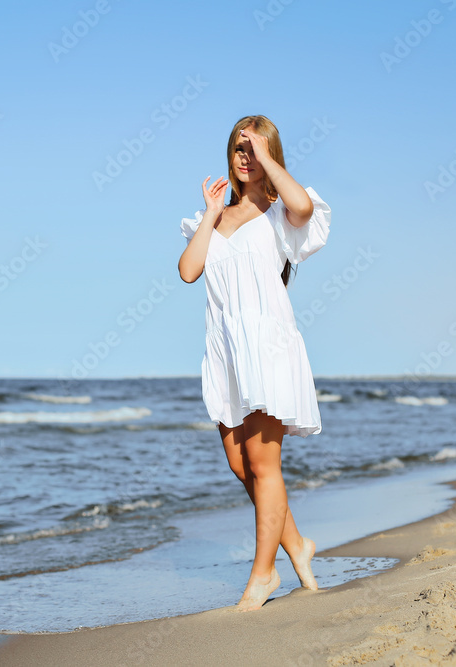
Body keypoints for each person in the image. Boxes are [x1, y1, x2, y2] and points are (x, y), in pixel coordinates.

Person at [177, 114, 332, 611]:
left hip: (266, 346)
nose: (247, 157)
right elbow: (188, 271)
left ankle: (263, 575)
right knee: (241, 464)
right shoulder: (214, 219)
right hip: (226, 351)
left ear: (271, 154)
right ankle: (298, 546)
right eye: (240, 148)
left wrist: (267, 159)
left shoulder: (280, 213)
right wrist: (210, 212)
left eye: (257, 148)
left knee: (265, 465)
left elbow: (304, 206)